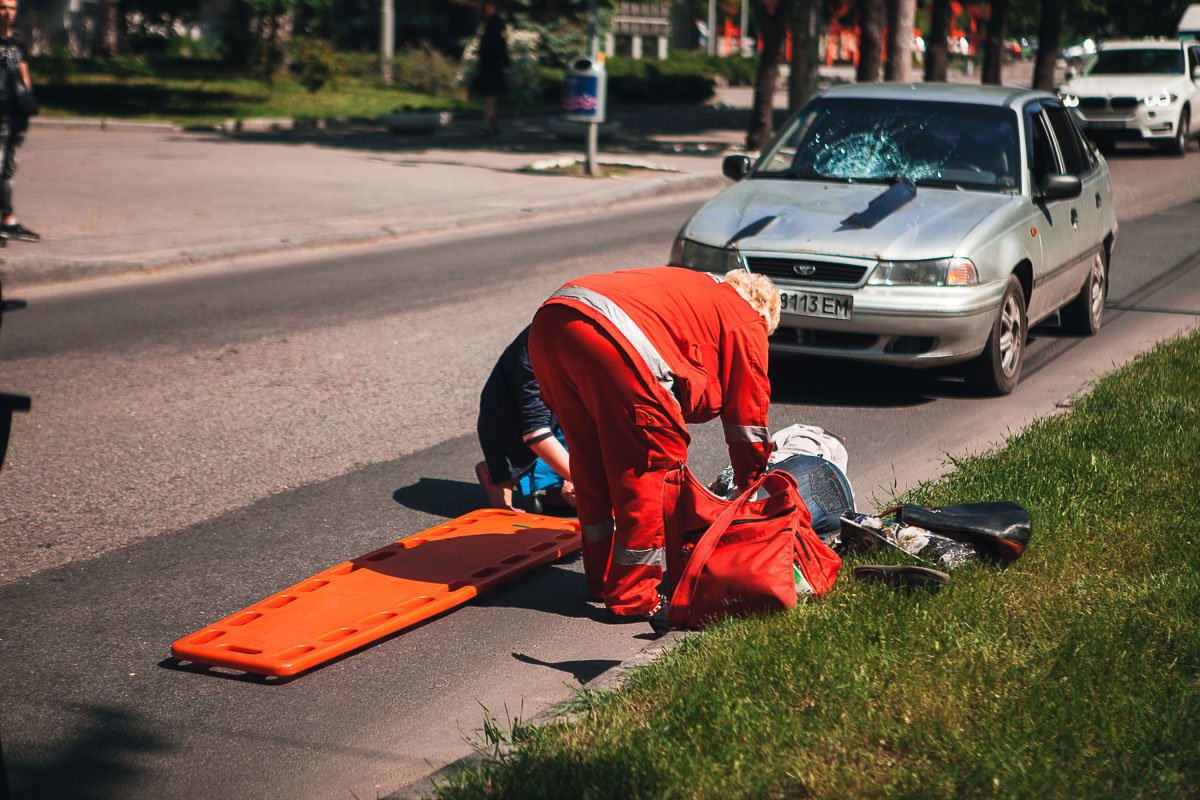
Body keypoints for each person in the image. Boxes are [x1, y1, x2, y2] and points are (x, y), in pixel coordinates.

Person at [528, 267, 781, 620]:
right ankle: (633, 595)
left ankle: (602, 578)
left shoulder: (697, 291)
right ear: (766, 314)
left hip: (552, 323)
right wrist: (751, 481)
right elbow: (747, 415)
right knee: (652, 466)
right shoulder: (746, 317)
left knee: (591, 461)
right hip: (609, 339)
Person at [476, 325, 575, 511]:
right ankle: (503, 475)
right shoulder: (539, 347)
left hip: (556, 416)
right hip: (512, 424)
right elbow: (535, 429)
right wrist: (587, 484)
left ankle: (554, 490)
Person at [0, 0, 37, 244]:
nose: (8, 13)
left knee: (9, 169)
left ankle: (8, 220)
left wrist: (28, 99)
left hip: (16, 113)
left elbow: (24, 71)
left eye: (12, 8)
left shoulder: (19, 39)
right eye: (3, 7)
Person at [471, 3, 509, 138]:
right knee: (491, 100)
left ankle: (494, 125)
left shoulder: (485, 39)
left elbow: (480, 56)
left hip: (485, 71)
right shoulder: (500, 40)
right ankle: (486, 126)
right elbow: (505, 58)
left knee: (490, 100)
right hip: (496, 72)